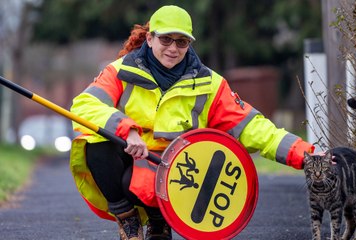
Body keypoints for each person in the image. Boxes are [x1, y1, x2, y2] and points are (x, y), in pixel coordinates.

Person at [69, 5, 314, 240]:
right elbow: (84, 106)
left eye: (181, 42)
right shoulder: (119, 71)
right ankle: (127, 219)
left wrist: (307, 155)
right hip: (130, 156)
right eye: (166, 39)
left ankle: (159, 220)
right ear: (150, 38)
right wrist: (127, 130)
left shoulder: (210, 84)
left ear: (189, 44)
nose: (173, 48)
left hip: (181, 174)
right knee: (93, 141)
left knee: (141, 182)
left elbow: (253, 128)